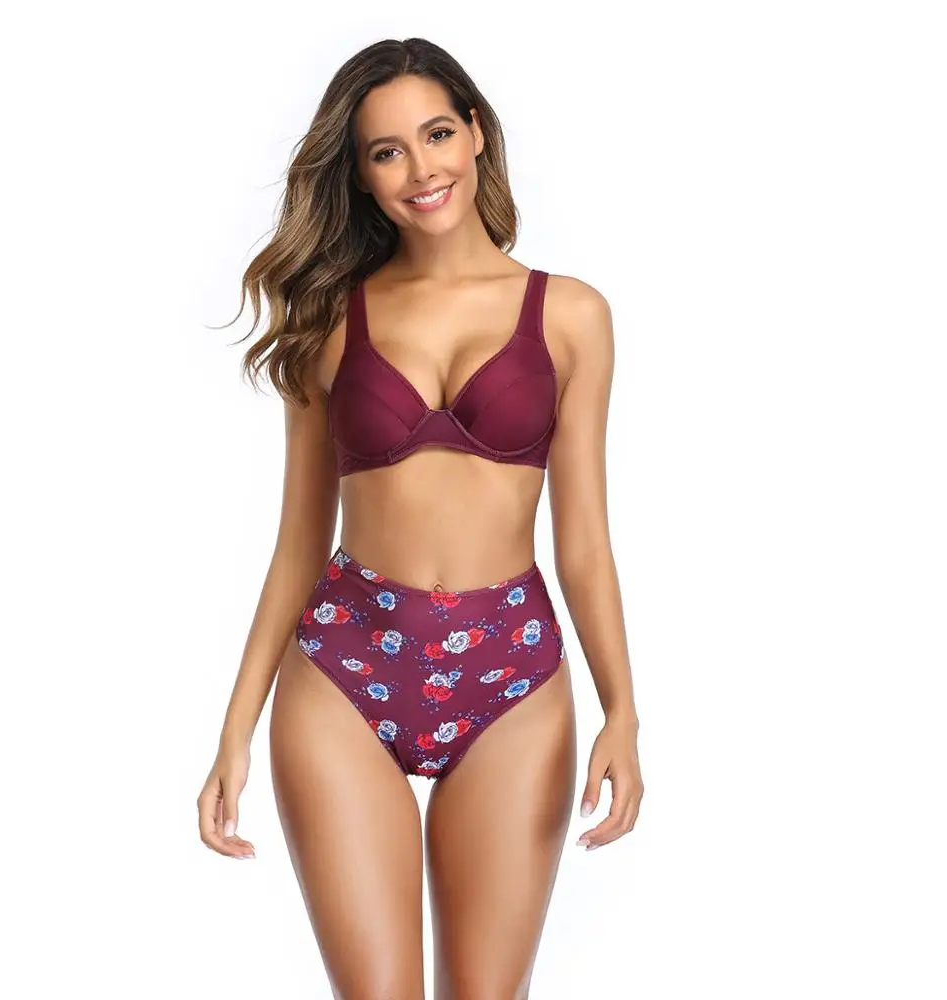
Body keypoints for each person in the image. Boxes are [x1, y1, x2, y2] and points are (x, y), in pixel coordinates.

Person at [197, 36, 643, 999]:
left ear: (475, 132)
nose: (420, 169)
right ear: (360, 175)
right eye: (386, 151)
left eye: (437, 134)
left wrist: (623, 709)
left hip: (512, 676)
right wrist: (235, 728)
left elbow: (584, 542)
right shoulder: (329, 320)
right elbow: (297, 544)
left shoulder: (571, 315)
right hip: (344, 673)